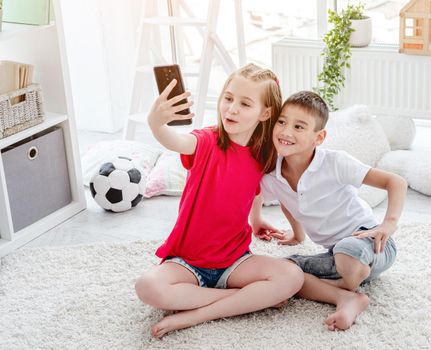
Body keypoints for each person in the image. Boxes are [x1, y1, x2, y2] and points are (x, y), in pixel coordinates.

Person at [135, 64, 304, 338]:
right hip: (187, 263)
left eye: (245, 103)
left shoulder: (263, 153)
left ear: (265, 113)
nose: (232, 109)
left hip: (235, 261)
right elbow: (176, 141)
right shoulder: (205, 141)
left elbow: (255, 190)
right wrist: (156, 124)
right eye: (228, 98)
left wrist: (256, 219)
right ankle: (243, 299)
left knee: (292, 276)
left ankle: (199, 313)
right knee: (147, 287)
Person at [251, 91, 408, 331]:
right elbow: (285, 199)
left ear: (319, 137)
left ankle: (348, 279)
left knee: (348, 251)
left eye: (299, 126)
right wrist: (274, 225)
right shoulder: (274, 175)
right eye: (281, 122)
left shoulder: (335, 162)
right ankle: (347, 295)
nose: (286, 131)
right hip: (334, 255)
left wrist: (388, 224)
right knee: (283, 271)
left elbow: (396, 182)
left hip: (370, 242)